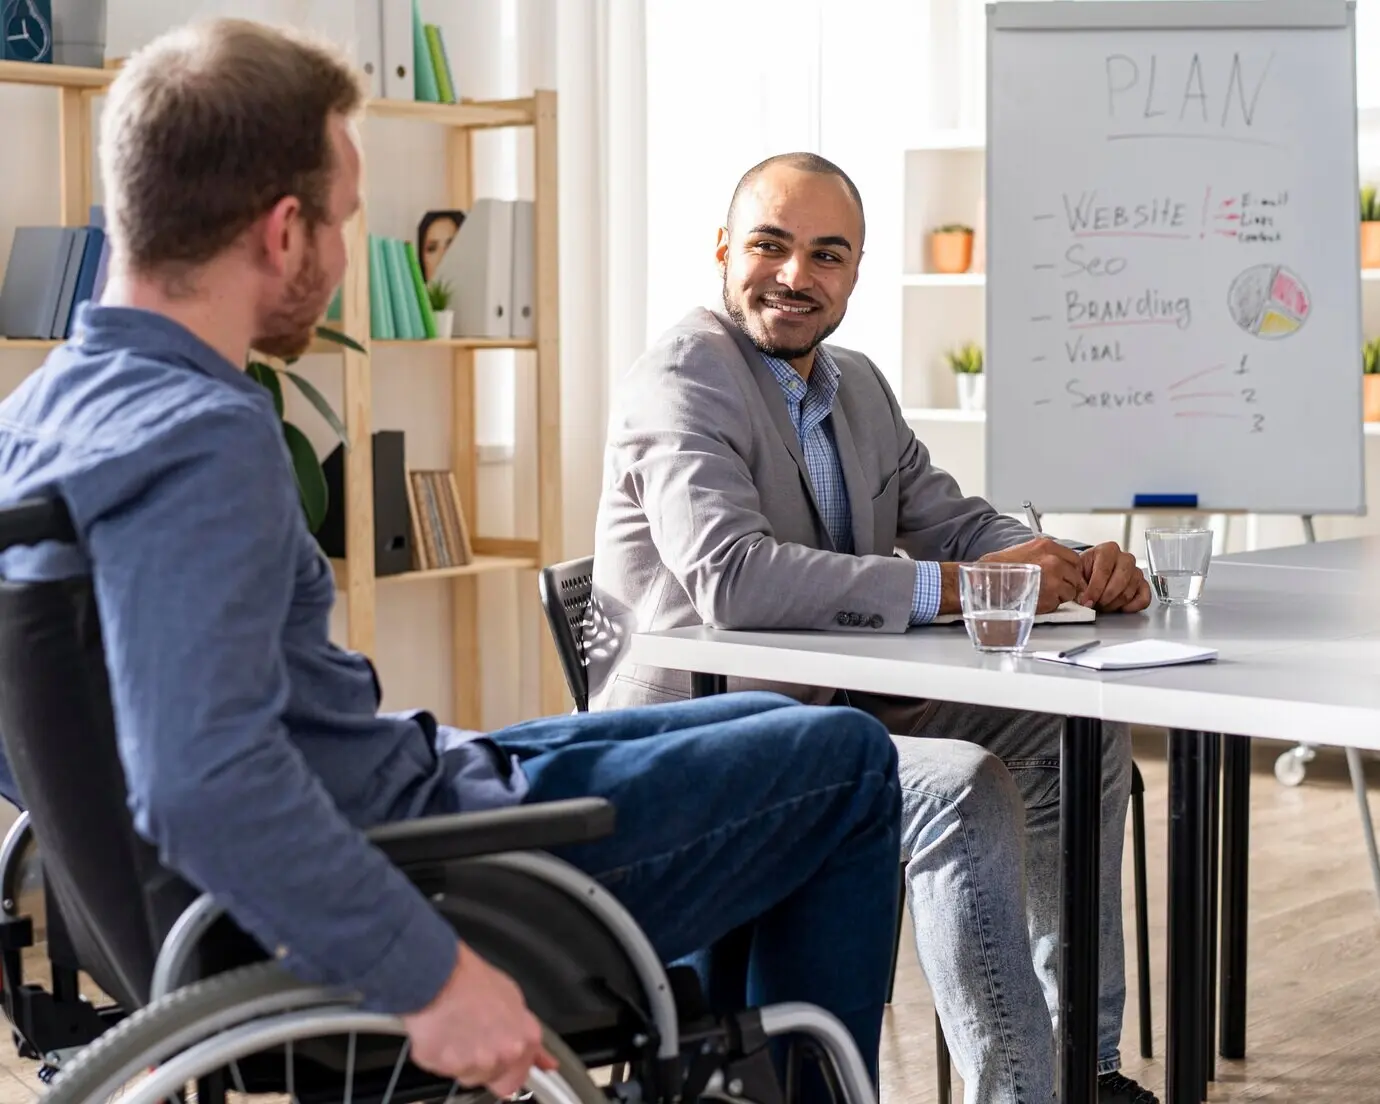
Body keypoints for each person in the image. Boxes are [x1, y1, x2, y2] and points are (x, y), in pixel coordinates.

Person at [0, 25, 904, 1102]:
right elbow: (205, 781)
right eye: (343, 222)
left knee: (768, 729)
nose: (344, 259)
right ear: (285, 232)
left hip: (412, 798)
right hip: (440, 875)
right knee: (847, 761)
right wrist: (428, 980)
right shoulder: (204, 431)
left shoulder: (39, 420)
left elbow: (56, 742)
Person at [588, 152, 1158, 1104]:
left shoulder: (855, 386)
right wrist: (963, 586)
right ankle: (1023, 1095)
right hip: (716, 734)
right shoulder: (684, 376)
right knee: (960, 785)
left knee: (1077, 737)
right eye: (771, 245)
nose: (795, 276)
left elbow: (957, 519)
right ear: (725, 250)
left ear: (854, 274)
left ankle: (1082, 1068)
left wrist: (1060, 559)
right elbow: (732, 578)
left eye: (827, 255)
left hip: (839, 706)